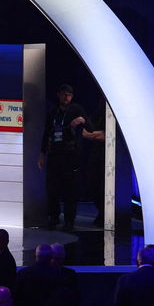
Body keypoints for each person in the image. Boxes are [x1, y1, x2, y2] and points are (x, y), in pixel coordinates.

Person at [37, 83, 102, 230]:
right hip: (54, 155)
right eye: (64, 94)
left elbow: (90, 128)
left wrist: (81, 121)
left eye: (69, 94)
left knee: (70, 190)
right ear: (58, 95)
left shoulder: (76, 109)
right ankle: (53, 218)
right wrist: (42, 154)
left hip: (71, 156)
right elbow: (46, 133)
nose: (66, 97)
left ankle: (69, 221)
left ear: (72, 97)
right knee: (52, 189)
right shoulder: (53, 111)